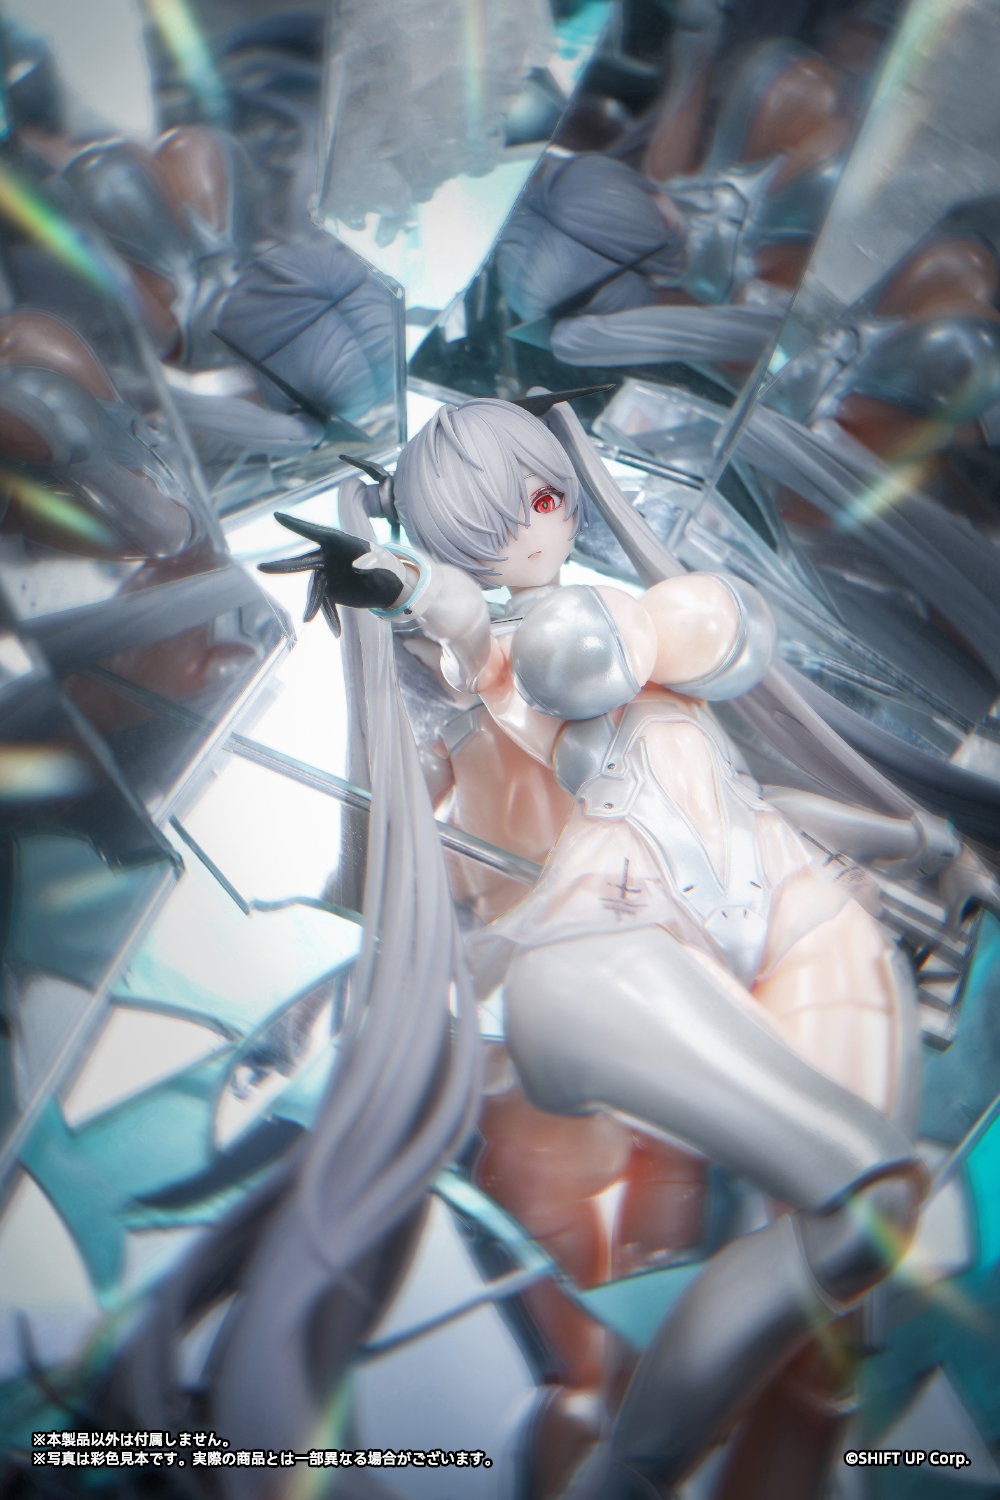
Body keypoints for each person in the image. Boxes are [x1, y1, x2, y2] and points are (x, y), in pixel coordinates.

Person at [266, 395, 977, 1495]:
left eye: (541, 495)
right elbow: (460, 625)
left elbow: (736, 703)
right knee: (774, 1240)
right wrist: (405, 585)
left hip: (789, 914)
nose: (528, 525)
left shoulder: (650, 621)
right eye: (482, 525)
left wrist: (922, 843)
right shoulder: (491, 668)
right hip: (611, 942)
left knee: (847, 1279)